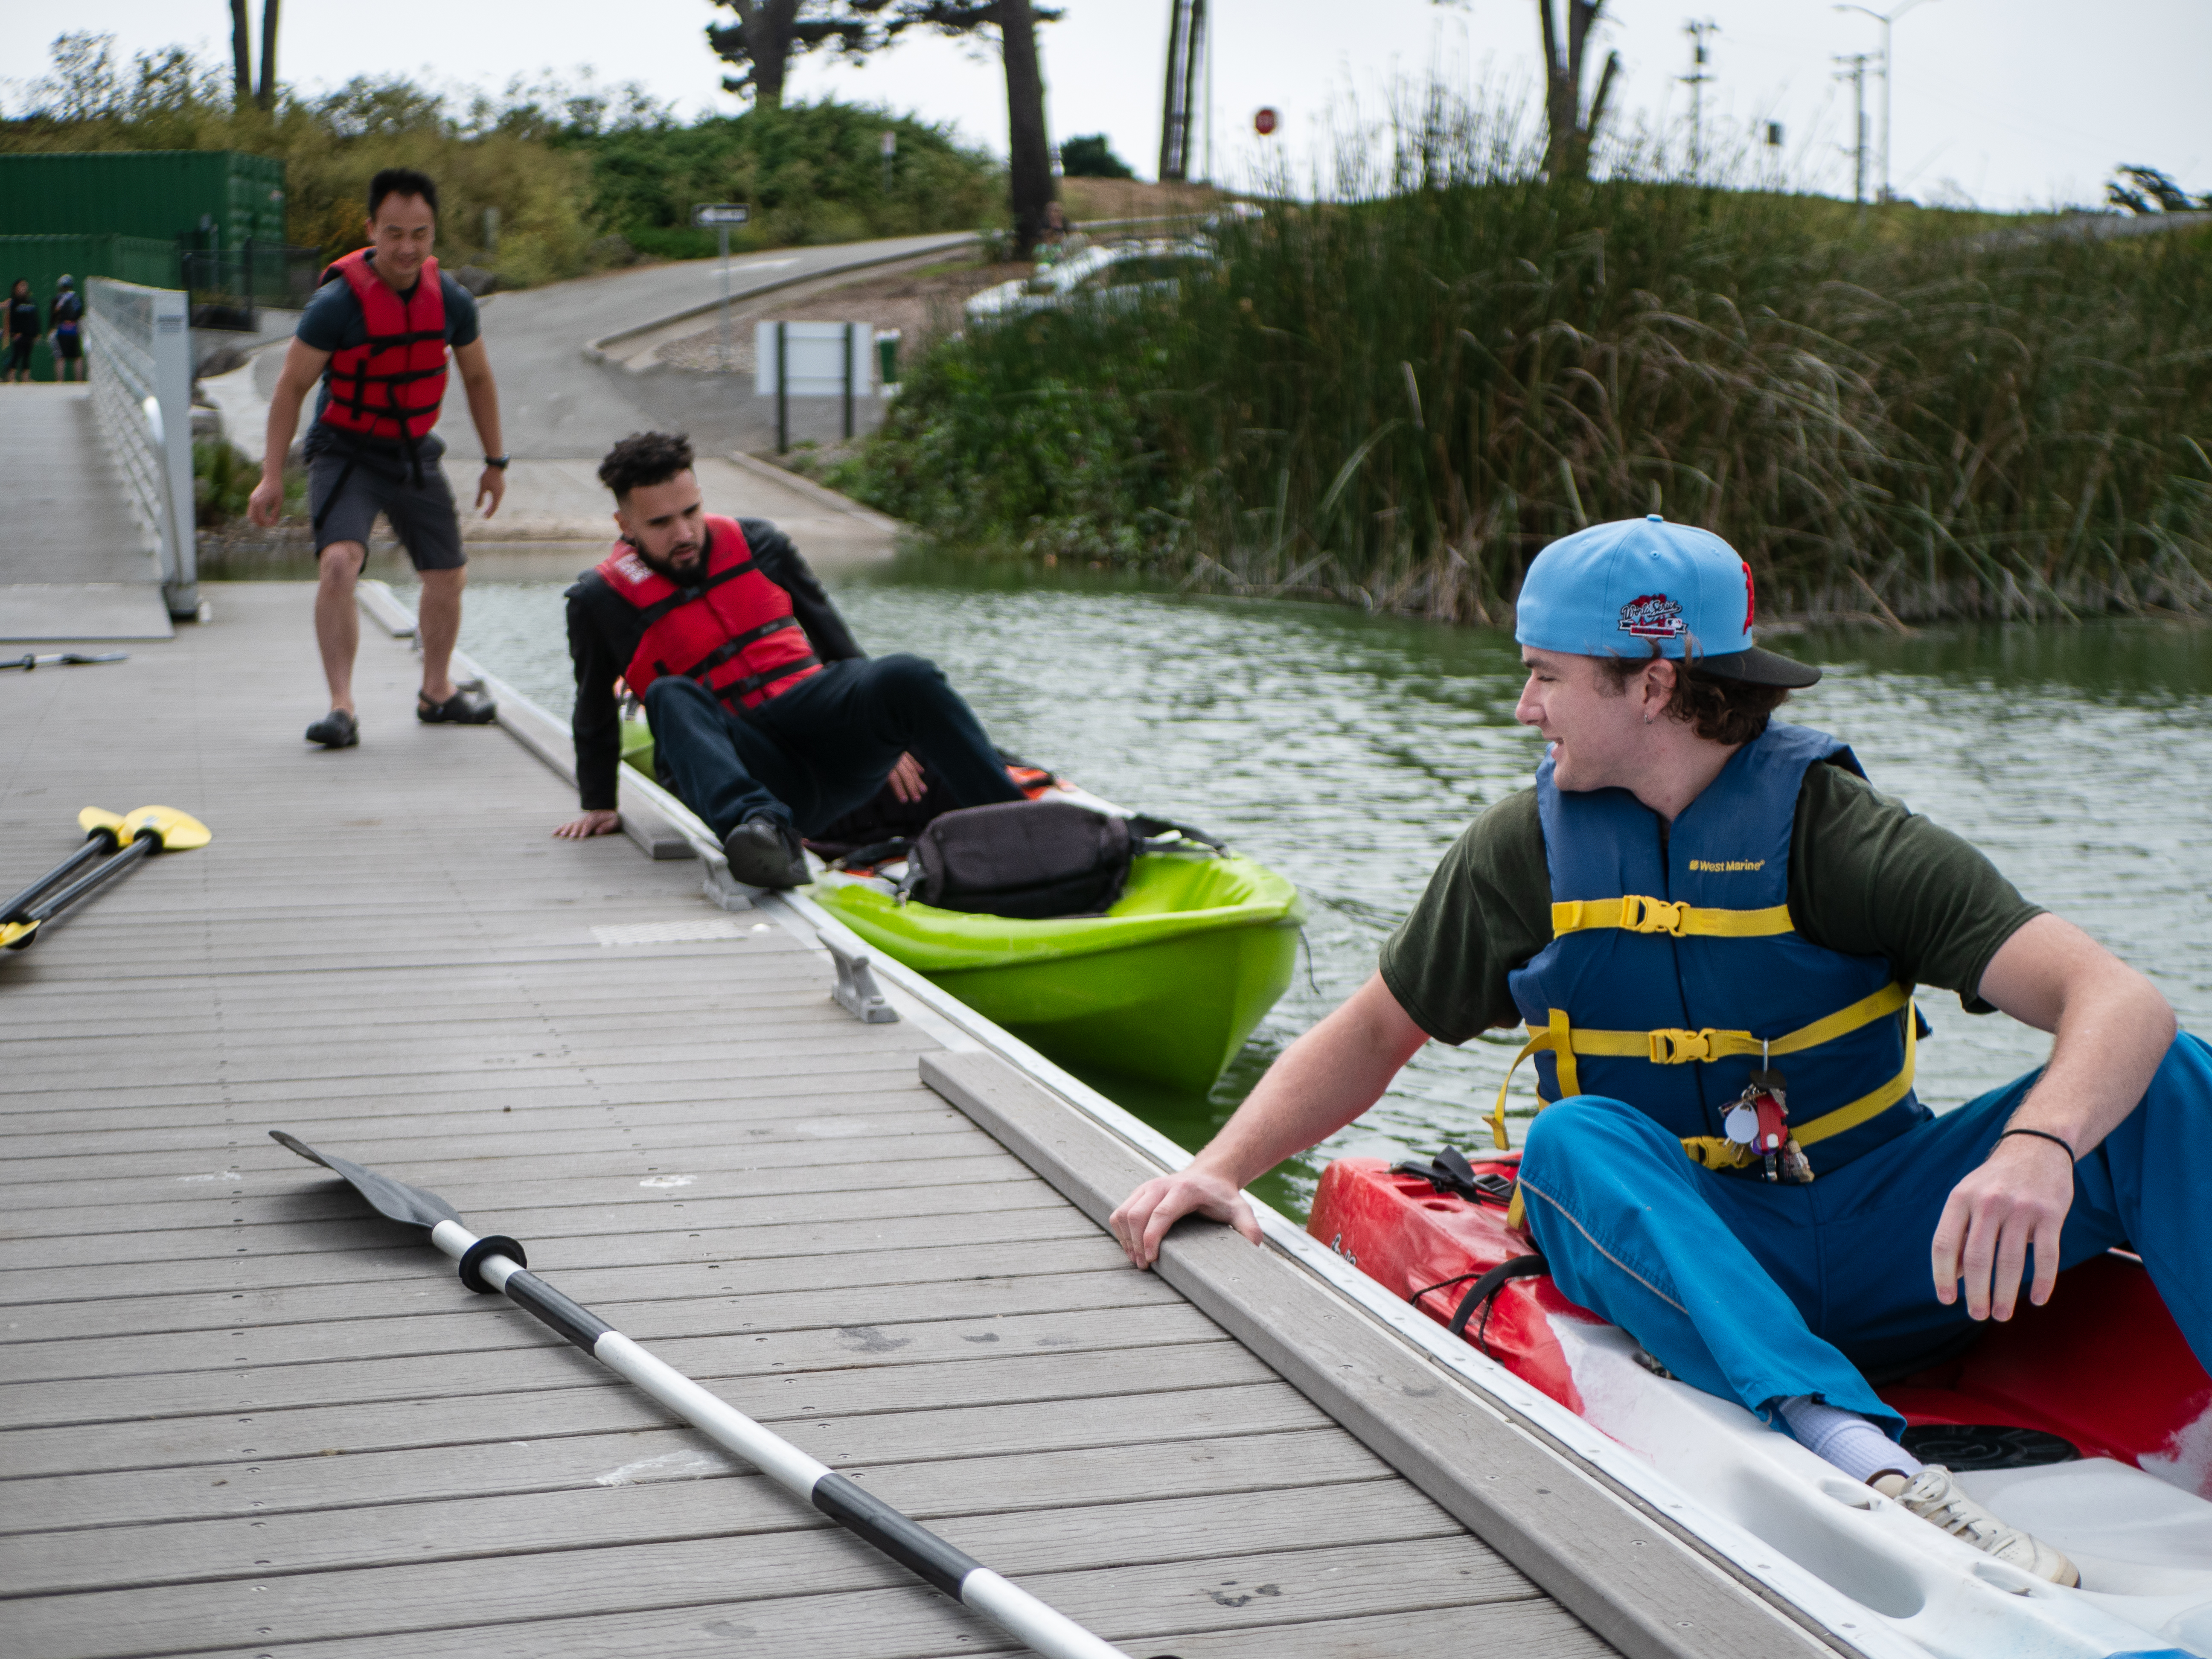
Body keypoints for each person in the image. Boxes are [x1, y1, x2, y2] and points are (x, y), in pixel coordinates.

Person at [1110, 514, 2209, 1587]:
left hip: (1886, 1236)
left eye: (1546, 675)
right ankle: (1868, 1461)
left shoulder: (1838, 833)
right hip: (1686, 1245)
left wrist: (2035, 1146)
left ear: (1652, 683)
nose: (1521, 705)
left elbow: (2117, 999)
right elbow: (1371, 1030)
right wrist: (1216, 1168)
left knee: (2168, 1076)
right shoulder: (1521, 850)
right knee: (1574, 1139)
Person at [554, 430, 1026, 887]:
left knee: (907, 673)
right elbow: (594, 706)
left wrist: (888, 724)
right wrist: (599, 802)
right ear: (626, 525)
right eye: (661, 524)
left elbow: (839, 649)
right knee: (668, 695)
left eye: (691, 512)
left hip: (826, 742)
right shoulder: (598, 601)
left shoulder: (762, 544)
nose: (684, 534)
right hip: (747, 766)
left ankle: (1023, 827)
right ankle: (765, 841)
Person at [246, 166, 507, 748]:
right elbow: (290, 387)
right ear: (371, 229)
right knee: (339, 564)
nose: (407, 248)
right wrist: (270, 476)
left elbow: (480, 378)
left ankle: (436, 692)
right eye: (394, 234)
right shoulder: (336, 304)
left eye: (420, 234)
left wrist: (496, 461)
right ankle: (342, 708)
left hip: (412, 451)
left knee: (448, 575)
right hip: (345, 451)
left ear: (434, 234)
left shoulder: (453, 302)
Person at [47, 276, 83, 384]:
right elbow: (79, 314)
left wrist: (51, 328)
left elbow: (53, 317)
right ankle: (79, 380)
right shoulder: (76, 298)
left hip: (62, 330)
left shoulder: (58, 299)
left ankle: (60, 381)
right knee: (77, 357)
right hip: (73, 330)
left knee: (61, 357)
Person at [6, 279, 39, 384]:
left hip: (30, 335)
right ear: (16, 288)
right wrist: (14, 333)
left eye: (25, 286)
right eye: (21, 286)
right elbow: (11, 319)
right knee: (16, 356)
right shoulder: (14, 303)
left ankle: (26, 379)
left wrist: (37, 333)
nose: (23, 288)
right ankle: (11, 379)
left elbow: (35, 319)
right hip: (18, 335)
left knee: (27, 357)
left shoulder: (31, 302)